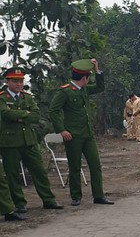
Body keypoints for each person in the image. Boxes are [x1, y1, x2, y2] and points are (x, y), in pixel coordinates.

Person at [48, 58, 114, 206]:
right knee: (75, 166)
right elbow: (53, 111)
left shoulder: (84, 89)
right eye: (88, 77)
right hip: (73, 135)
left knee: (95, 165)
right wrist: (62, 130)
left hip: (88, 134)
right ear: (84, 78)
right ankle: (76, 196)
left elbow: (100, 87)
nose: (88, 79)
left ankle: (98, 196)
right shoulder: (65, 92)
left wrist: (98, 70)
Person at [0, 67, 63, 213]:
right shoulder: (2, 98)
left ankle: (48, 200)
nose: (19, 84)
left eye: (21, 81)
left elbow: (35, 116)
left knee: (39, 170)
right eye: (15, 81)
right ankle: (19, 203)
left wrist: (17, 115)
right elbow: (5, 114)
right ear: (7, 81)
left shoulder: (27, 97)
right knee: (13, 174)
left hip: (28, 140)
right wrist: (24, 114)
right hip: (10, 142)